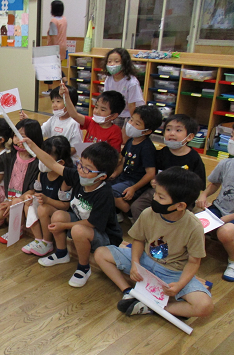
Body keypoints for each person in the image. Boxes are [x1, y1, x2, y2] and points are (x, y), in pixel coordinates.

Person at [95, 167, 214, 318]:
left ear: (180, 205)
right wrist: (135, 264)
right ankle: (128, 292)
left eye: (161, 197)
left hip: (173, 273)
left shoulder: (194, 227)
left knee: (205, 306)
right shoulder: (148, 213)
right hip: (144, 261)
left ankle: (153, 306)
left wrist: (180, 285)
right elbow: (138, 240)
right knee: (101, 253)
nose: (155, 199)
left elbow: (194, 262)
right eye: (155, 194)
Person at [21, 139, 122, 287]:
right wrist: (33, 146)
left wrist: (64, 226)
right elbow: (53, 164)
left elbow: (91, 223)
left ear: (102, 176)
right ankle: (62, 253)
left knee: (77, 230)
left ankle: (84, 267)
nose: (81, 170)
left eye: (87, 169)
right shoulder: (78, 176)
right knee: (58, 215)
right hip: (82, 225)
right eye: (80, 164)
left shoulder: (105, 194)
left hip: (104, 237)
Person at [131, 114, 206, 222]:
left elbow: (199, 184)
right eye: (168, 129)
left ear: (189, 137)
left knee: (181, 215)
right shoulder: (161, 153)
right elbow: (153, 174)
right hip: (158, 192)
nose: (172, 133)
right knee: (137, 206)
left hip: (181, 196)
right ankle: (146, 231)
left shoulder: (194, 158)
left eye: (178, 130)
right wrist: (153, 181)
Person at [0, 119, 42, 244]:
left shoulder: (37, 162)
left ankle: (18, 229)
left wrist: (16, 201)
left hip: (24, 200)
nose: (18, 140)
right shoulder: (10, 155)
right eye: (15, 135)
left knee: (15, 204)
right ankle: (3, 220)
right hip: (10, 198)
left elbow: (33, 189)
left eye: (22, 137)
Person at [22, 136, 73, 256]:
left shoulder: (65, 179)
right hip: (46, 204)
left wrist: (47, 200)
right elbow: (37, 192)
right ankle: (38, 239)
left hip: (60, 211)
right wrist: (31, 197)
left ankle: (47, 242)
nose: (41, 160)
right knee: (29, 204)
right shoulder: (42, 173)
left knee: (43, 208)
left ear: (60, 162)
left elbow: (65, 206)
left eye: (46, 157)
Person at [110, 105, 162, 220]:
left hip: (136, 183)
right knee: (101, 184)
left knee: (110, 191)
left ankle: (130, 214)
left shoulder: (147, 148)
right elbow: (123, 162)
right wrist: (114, 174)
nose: (131, 124)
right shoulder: (130, 142)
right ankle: (116, 212)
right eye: (131, 120)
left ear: (147, 131)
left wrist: (133, 188)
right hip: (124, 178)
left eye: (137, 124)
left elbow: (150, 173)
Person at [196, 133, 234, 282]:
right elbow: (215, 184)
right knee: (195, 223)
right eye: (232, 136)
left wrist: (228, 218)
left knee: (226, 232)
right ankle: (191, 253)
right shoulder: (226, 164)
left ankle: (232, 261)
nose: (231, 140)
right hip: (219, 207)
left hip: (230, 217)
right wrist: (204, 195)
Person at [61, 83, 125, 152]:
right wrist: (66, 96)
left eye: (102, 110)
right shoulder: (91, 121)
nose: (97, 111)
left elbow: (114, 155)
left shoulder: (115, 131)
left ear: (113, 116)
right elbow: (74, 115)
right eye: (96, 107)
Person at [20, 86, 82, 156]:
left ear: (70, 103)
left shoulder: (74, 123)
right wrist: (28, 121)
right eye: (53, 102)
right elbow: (40, 132)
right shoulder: (54, 119)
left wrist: (60, 157)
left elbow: (75, 148)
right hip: (52, 157)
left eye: (58, 101)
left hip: (67, 160)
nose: (54, 105)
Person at [103, 48, 145, 130]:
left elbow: (132, 106)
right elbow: (107, 99)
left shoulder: (131, 82)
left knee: (125, 137)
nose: (112, 64)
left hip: (130, 114)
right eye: (109, 61)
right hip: (116, 113)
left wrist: (132, 123)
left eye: (116, 61)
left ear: (124, 63)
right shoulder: (109, 79)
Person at [42, 0, 67, 95]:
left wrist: (52, 50)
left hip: (55, 47)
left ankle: (50, 89)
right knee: (57, 67)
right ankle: (64, 82)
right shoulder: (64, 19)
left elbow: (53, 36)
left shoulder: (53, 21)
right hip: (63, 46)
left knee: (50, 68)